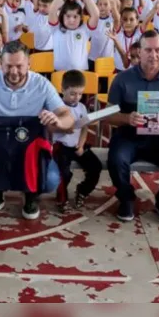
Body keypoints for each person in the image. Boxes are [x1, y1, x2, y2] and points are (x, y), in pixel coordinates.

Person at [0, 41, 74, 220]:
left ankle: (30, 194)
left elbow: (68, 117)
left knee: (50, 180)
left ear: (29, 64)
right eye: (8, 66)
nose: (13, 71)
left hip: (29, 153)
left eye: (19, 66)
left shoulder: (42, 84)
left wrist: (57, 120)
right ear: (1, 65)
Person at [104, 30, 159, 224]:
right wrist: (127, 118)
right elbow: (108, 116)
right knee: (116, 159)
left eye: (158, 49)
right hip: (128, 135)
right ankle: (126, 198)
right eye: (148, 50)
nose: (153, 54)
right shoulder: (122, 79)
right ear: (139, 52)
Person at [52, 70, 102, 213]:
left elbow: (84, 128)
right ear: (63, 90)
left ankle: (83, 190)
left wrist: (81, 144)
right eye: (73, 93)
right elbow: (52, 128)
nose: (77, 97)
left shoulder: (82, 107)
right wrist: (63, 128)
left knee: (95, 166)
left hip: (77, 145)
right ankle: (62, 198)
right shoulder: (57, 107)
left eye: (80, 94)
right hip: (61, 146)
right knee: (64, 173)